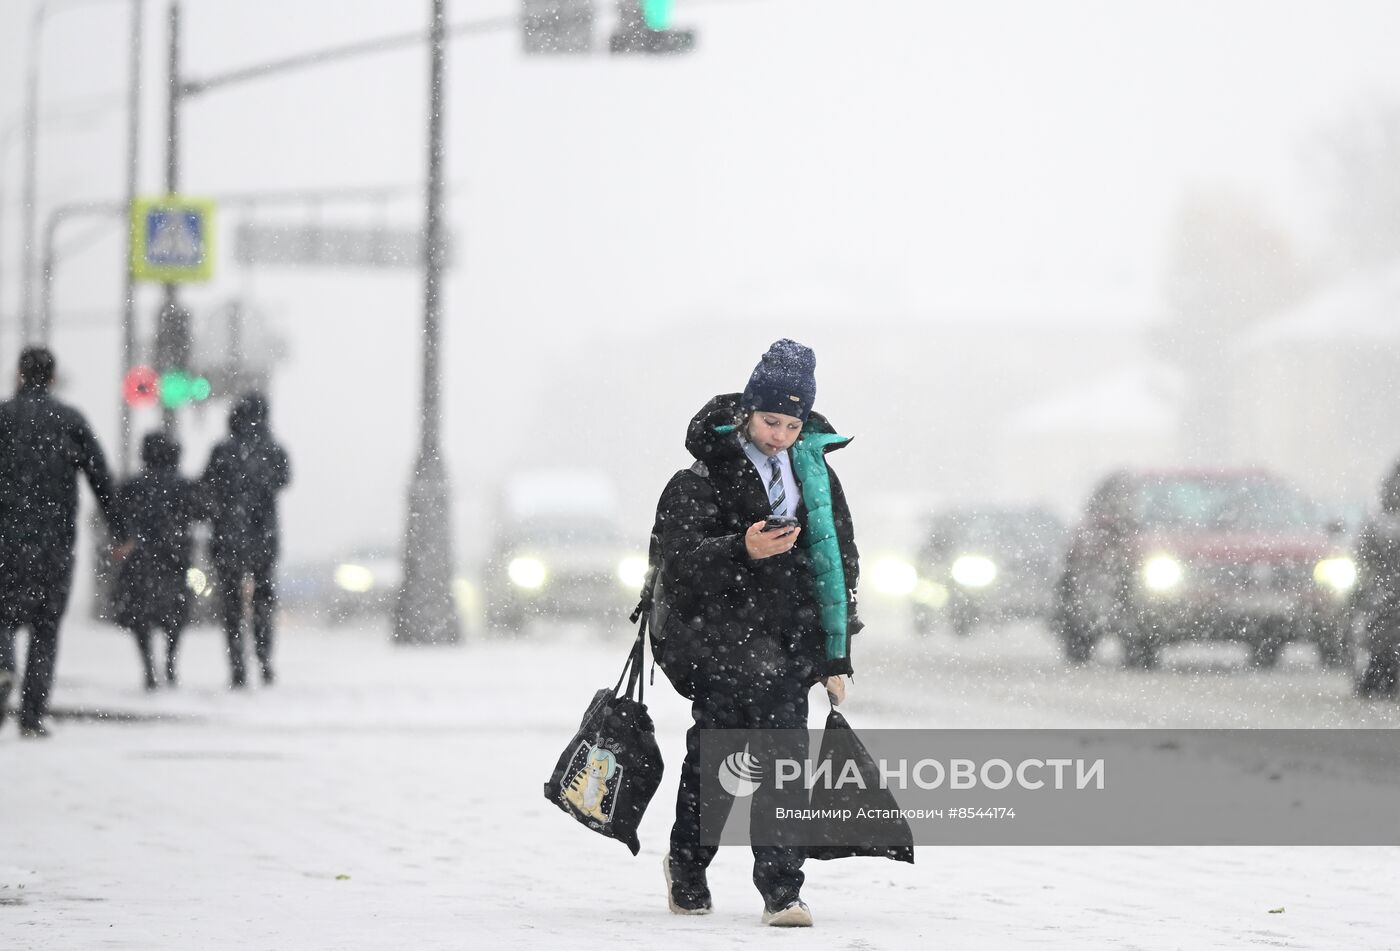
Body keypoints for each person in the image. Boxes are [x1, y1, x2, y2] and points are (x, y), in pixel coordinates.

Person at [651, 338, 861, 928]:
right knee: (715, 764)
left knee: (786, 765)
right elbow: (679, 560)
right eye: (771, 421)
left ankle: (781, 891)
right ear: (747, 412)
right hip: (719, 643)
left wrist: (836, 655)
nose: (780, 435)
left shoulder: (817, 477)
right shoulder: (703, 474)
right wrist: (740, 547)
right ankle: (688, 870)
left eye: (793, 424)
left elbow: (838, 563)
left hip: (789, 645)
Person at [0, 347, 130, 737]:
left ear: (20, 375)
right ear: (53, 378)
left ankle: (3, 666)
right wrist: (120, 531)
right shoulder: (69, 421)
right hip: (54, 543)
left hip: (4, 538)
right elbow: (101, 478)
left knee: (0, 614)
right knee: (46, 627)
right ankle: (33, 716)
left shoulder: (3, 418)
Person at [201, 392, 291, 689]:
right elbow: (283, 481)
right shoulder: (273, 450)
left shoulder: (223, 450)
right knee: (264, 600)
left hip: (228, 538)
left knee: (231, 606)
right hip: (263, 538)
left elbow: (207, 488)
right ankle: (264, 659)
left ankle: (237, 665)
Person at [114, 432, 204, 690]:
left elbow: (116, 512)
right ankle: (170, 662)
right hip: (176, 560)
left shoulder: (133, 486)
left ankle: (149, 667)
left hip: (141, 560)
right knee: (175, 616)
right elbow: (204, 510)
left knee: (141, 617)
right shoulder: (184, 486)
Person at [1354, 461, 1400, 698]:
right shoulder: (1381, 525)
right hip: (1385, 598)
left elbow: (1364, 556)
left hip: (1384, 598)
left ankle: (1378, 680)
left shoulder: (1380, 525)